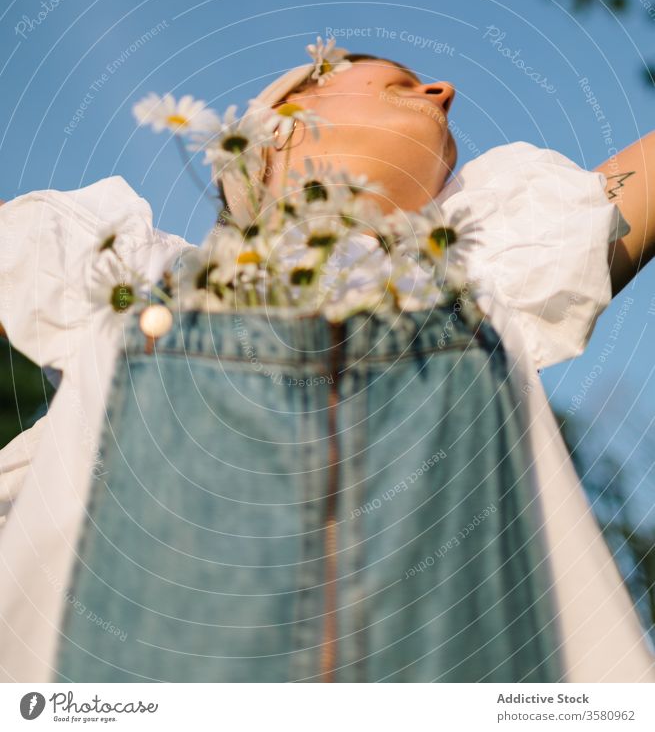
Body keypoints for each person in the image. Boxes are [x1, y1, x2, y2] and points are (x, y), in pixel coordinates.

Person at [0, 48, 653, 682]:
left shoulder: (489, 263)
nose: (443, 91)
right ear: (283, 115)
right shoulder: (126, 270)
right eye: (398, 82)